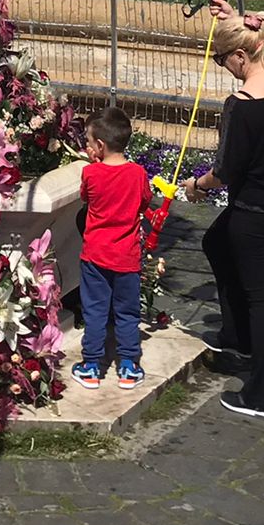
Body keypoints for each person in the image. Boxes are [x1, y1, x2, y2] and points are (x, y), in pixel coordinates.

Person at [191, 8, 264, 421]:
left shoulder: (242, 105)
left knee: (262, 300)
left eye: (223, 60)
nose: (224, 67)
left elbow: (224, 173)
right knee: (214, 242)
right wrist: (234, 18)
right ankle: (236, 336)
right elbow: (260, 30)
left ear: (241, 55)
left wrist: (197, 186)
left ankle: (263, 396)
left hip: (255, 211)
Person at [70, 106, 149, 392]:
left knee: (95, 310)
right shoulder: (138, 174)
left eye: (89, 142)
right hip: (127, 256)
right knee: (127, 312)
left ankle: (91, 365)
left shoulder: (91, 173)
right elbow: (144, 202)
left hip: (95, 255)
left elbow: (85, 198)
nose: (88, 146)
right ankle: (128, 365)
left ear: (100, 146)